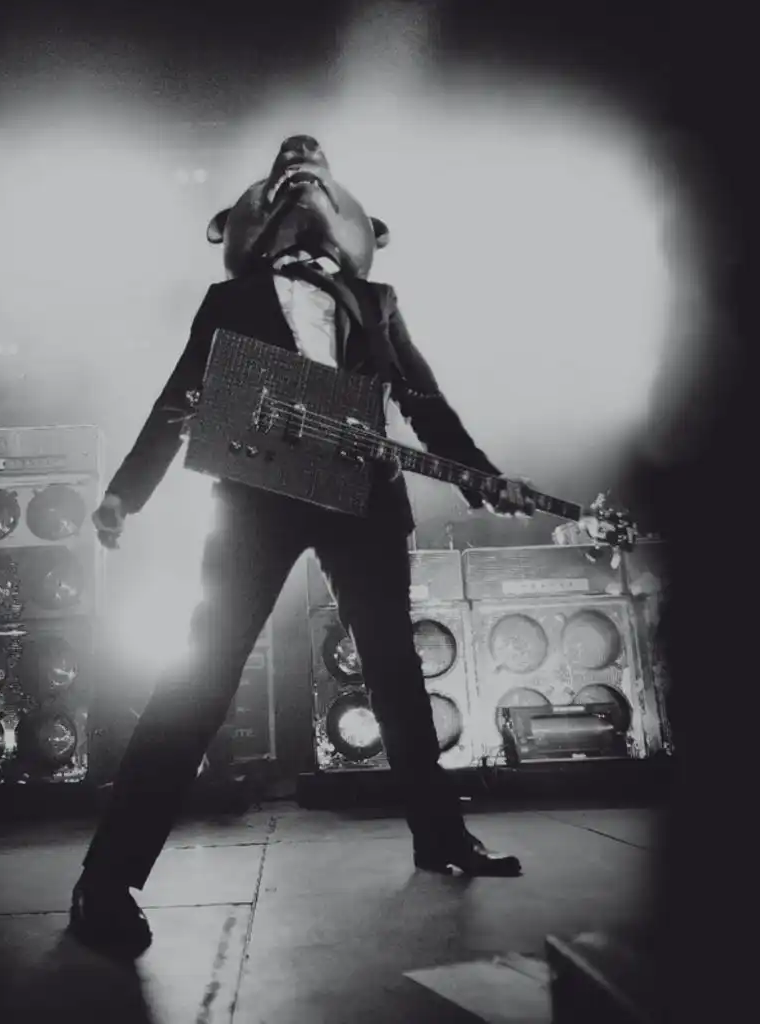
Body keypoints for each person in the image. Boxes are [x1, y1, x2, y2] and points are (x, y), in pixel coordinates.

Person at [69, 136, 536, 955]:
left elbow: (426, 404)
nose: (299, 190)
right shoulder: (229, 300)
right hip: (257, 502)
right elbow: (180, 397)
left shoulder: (377, 301)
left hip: (365, 503)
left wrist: (481, 476)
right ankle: (105, 882)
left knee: (396, 674)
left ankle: (441, 837)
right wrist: (125, 492)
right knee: (201, 678)